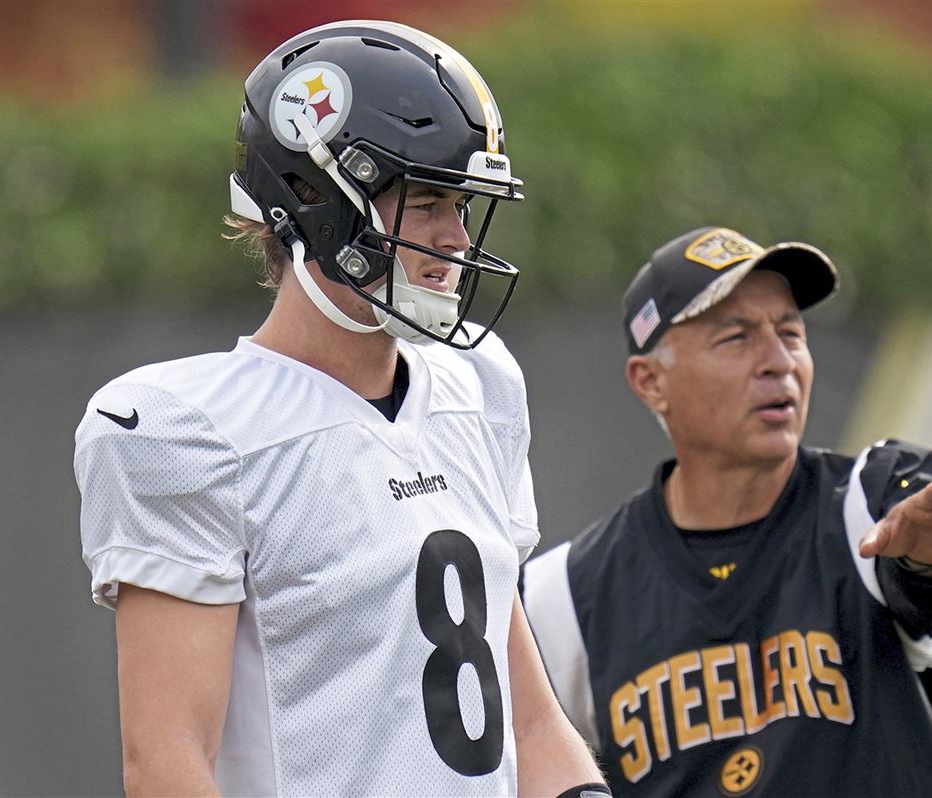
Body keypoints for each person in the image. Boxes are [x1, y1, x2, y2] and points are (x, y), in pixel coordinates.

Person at [74, 20, 608, 798]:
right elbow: (166, 763)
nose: (457, 238)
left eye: (464, 205)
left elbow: (527, 722)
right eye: (428, 201)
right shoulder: (188, 433)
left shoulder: (477, 386)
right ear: (319, 202)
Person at [520, 226, 932, 797]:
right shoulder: (562, 596)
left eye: (791, 333)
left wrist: (931, 563)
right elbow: (530, 767)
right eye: (736, 337)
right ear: (651, 382)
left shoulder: (873, 500)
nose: (778, 361)